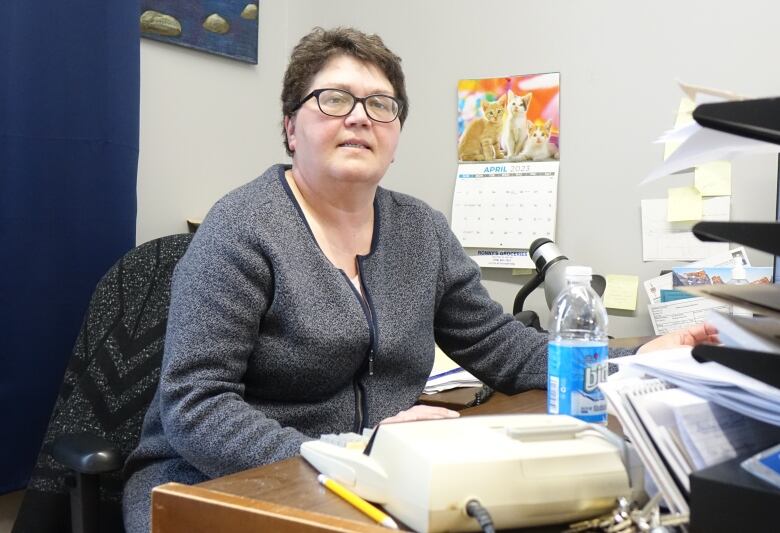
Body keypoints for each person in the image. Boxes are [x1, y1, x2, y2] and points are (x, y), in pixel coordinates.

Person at [121, 27, 718, 532]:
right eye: (333, 99)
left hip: (371, 480)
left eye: (381, 104)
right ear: (290, 127)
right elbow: (195, 408)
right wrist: (349, 452)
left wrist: (640, 357)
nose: (359, 117)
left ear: (397, 135)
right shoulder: (242, 229)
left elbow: (505, 350)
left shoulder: (420, 231)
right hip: (217, 479)